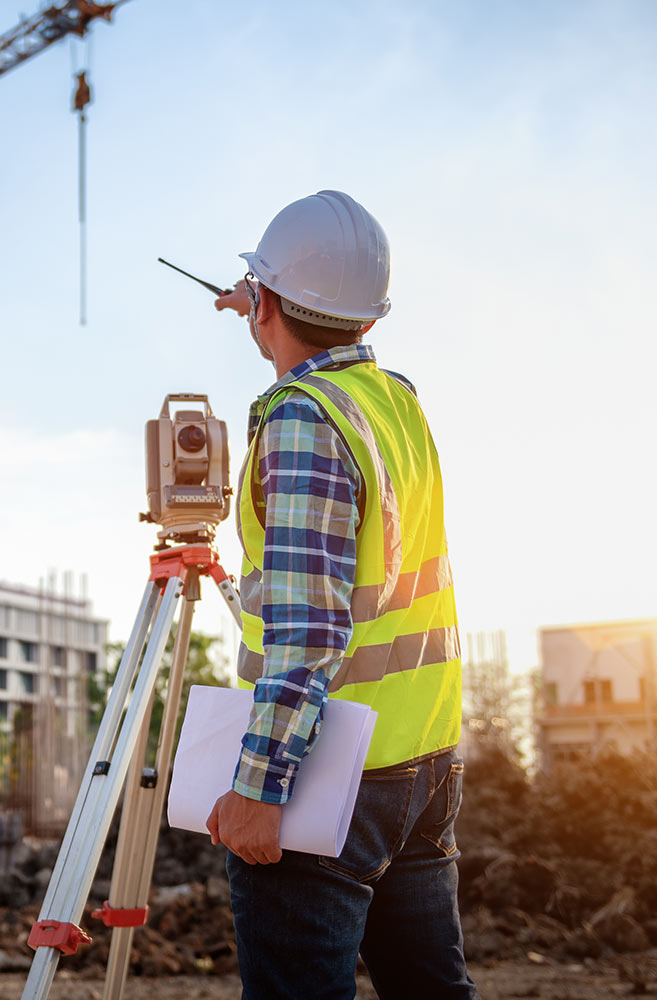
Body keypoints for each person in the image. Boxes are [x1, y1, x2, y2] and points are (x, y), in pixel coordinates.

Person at [204, 190, 478, 999]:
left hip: (331, 780)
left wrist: (258, 789)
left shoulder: (301, 421)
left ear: (273, 304)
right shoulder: (394, 400)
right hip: (423, 763)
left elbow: (308, 630)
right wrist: (269, 305)